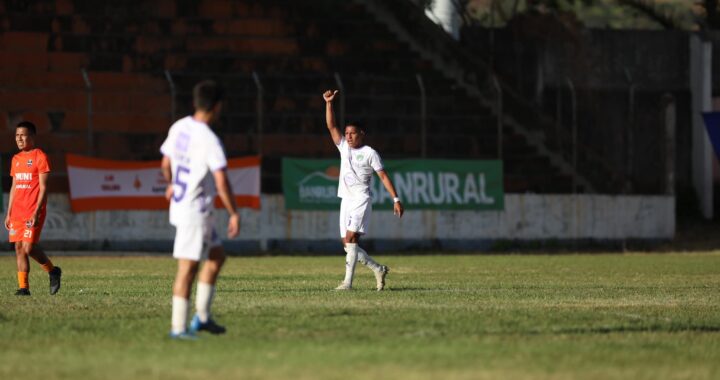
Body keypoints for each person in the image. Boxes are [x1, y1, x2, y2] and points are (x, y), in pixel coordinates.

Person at [160, 80, 240, 339]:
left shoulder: (179, 126)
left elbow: (165, 162)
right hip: (194, 212)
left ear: (196, 102)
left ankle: (202, 318)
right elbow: (222, 181)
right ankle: (178, 328)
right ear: (217, 107)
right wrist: (234, 212)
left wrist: (171, 183)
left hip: (188, 206)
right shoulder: (210, 140)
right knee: (188, 269)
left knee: (216, 257)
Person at [323, 89, 404, 291]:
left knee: (351, 240)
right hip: (346, 199)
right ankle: (378, 268)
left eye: (352, 133)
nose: (348, 136)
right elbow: (331, 126)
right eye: (347, 133)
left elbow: (383, 176)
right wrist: (329, 103)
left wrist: (396, 199)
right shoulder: (343, 147)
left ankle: (347, 283)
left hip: (361, 199)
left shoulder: (370, 153)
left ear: (361, 134)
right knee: (346, 244)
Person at [5, 121, 62, 296]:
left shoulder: (40, 157)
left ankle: (53, 271)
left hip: (33, 210)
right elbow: (14, 187)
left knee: (29, 248)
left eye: (23, 135)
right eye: (17, 135)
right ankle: (24, 288)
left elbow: (44, 188)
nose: (19, 139)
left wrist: (37, 211)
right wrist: (8, 213)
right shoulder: (16, 159)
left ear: (32, 137)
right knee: (18, 248)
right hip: (17, 212)